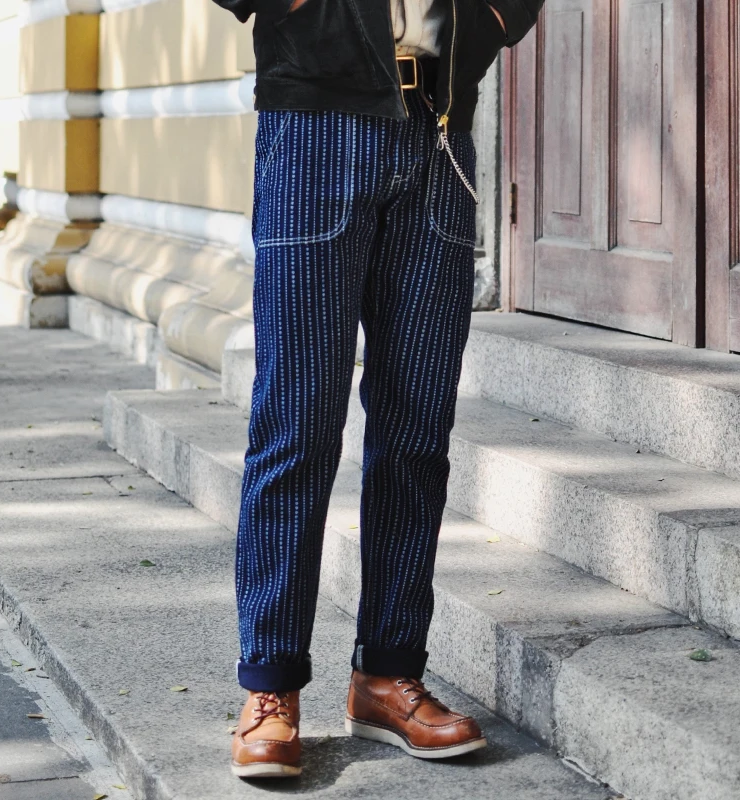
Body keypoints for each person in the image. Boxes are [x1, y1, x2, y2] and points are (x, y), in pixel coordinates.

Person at [211, 0, 544, 779]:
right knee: (297, 423)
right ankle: (271, 686)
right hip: (315, 128)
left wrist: (491, 22)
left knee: (417, 430)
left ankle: (388, 676)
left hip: (439, 130)